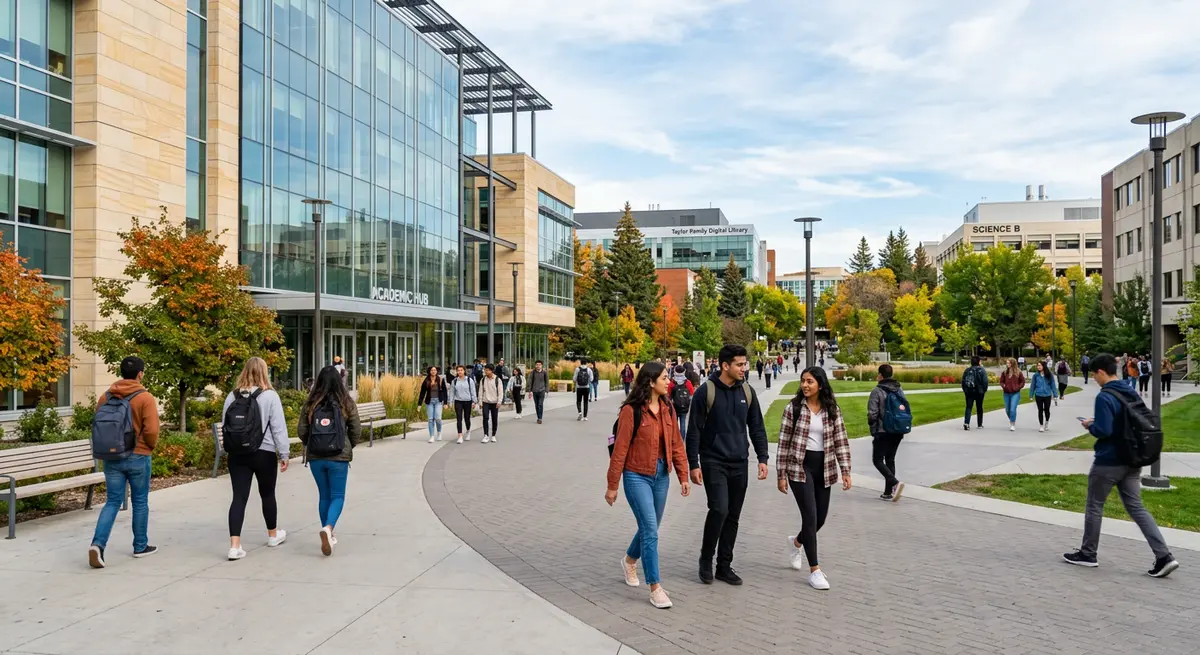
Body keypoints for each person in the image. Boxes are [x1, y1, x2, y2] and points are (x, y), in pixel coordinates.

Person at [1064, 354, 1179, 578]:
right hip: (1132, 459)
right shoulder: (1129, 391)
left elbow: (1105, 430)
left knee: (1095, 505)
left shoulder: (1105, 396)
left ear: (1100, 372)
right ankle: (1164, 555)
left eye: (1095, 375)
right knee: (1137, 508)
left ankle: (1088, 553)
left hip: (1109, 460)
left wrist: (1090, 425)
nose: (1095, 380)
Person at [606, 362, 692, 609]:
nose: (669, 382)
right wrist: (613, 484)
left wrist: (683, 475)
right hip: (636, 476)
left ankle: (630, 560)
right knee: (651, 530)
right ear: (651, 382)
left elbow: (676, 443)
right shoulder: (631, 411)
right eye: (665, 378)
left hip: (661, 476)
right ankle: (655, 587)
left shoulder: (668, 408)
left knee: (649, 527)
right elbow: (620, 450)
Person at [686, 344, 769, 586]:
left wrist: (762, 458)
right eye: (740, 364)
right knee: (719, 509)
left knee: (733, 515)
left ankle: (724, 565)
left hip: (740, 462)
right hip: (713, 460)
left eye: (745, 364)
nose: (745, 368)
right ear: (725, 366)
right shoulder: (706, 392)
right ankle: (706, 558)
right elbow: (693, 432)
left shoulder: (748, 391)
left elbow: (757, 427)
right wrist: (694, 464)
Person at [777, 366, 852, 590]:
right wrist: (781, 474)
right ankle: (815, 570)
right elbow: (783, 443)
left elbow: (841, 440)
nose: (805, 385)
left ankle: (797, 542)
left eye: (809, 381)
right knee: (810, 517)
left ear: (820, 384)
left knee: (820, 519)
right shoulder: (793, 408)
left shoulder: (832, 410)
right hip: (800, 468)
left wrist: (845, 470)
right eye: (803, 381)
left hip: (825, 467)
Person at [88, 356, 161, 569]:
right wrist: (149, 447)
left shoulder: (106, 396)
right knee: (140, 501)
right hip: (138, 455)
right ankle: (140, 546)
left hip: (112, 457)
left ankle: (97, 545)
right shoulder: (144, 397)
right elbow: (152, 430)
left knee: (112, 501)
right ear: (140, 374)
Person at [222, 357, 291, 561]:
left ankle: (235, 546)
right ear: (264, 372)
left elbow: (226, 426)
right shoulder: (270, 396)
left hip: (237, 454)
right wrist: (284, 453)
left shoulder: (231, 396)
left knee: (239, 497)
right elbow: (278, 427)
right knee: (267, 494)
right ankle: (272, 534)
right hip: (264, 452)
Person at [298, 366, 361, 557]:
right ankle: (328, 528)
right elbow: (356, 430)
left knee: (324, 496)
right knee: (338, 496)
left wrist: (311, 443)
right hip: (338, 456)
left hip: (316, 457)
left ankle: (329, 533)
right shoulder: (346, 402)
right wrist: (349, 445)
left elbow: (301, 431)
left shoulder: (311, 403)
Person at [866, 364, 905, 501]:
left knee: (877, 460)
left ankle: (894, 483)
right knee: (890, 459)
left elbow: (872, 413)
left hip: (882, 430)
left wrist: (873, 427)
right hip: (897, 429)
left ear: (881, 375)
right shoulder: (899, 389)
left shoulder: (877, 391)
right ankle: (889, 492)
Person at [418, 365, 449, 443]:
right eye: (432, 370)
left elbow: (445, 392)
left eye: (435, 370)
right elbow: (422, 393)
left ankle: (439, 432)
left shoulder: (441, 379)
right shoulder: (426, 380)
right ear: (429, 371)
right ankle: (431, 436)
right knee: (430, 419)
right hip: (429, 402)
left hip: (438, 401)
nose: (433, 371)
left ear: (437, 371)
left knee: (438, 418)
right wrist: (419, 404)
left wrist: (445, 403)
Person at [449, 365, 478, 444]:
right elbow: (452, 392)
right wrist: (450, 402)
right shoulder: (454, 381)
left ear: (464, 371)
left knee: (467, 418)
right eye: (458, 370)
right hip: (458, 401)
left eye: (461, 370)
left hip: (467, 401)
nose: (460, 372)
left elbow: (473, 391)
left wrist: (474, 401)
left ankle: (468, 431)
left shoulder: (469, 380)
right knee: (459, 418)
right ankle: (460, 436)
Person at [961, 356, 989, 431]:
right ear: (979, 362)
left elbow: (963, 381)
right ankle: (979, 424)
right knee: (979, 407)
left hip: (969, 391)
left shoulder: (967, 370)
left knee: (968, 407)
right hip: (979, 391)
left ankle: (966, 422)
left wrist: (965, 390)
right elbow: (985, 381)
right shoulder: (981, 370)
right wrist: (984, 390)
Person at [479, 364, 503, 444]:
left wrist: (499, 401)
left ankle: (493, 435)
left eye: (488, 370)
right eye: (485, 370)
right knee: (485, 418)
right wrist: (480, 402)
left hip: (494, 402)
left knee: (494, 418)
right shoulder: (483, 380)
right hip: (485, 401)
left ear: (492, 370)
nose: (486, 371)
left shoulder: (497, 380)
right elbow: (480, 391)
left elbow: (500, 391)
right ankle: (486, 435)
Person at [669, 364, 694, 440]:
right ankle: (682, 439)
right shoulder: (687, 382)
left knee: (675, 423)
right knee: (683, 423)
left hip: (675, 406)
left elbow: (668, 394)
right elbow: (692, 393)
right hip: (684, 406)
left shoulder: (672, 382)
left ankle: (674, 438)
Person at [1029, 360, 1056, 433]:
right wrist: (1031, 395)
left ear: (1043, 366)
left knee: (1047, 409)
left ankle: (1046, 422)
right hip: (1038, 395)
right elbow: (1033, 386)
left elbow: (1053, 385)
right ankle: (1041, 425)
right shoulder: (1035, 375)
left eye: (1040, 365)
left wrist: (1055, 395)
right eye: (1037, 365)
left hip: (1047, 394)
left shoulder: (1049, 375)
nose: (1038, 367)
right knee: (1040, 410)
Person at [999, 358, 1025, 431]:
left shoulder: (1018, 372)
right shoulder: (1004, 372)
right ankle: (1012, 419)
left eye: (1009, 363)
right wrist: (1004, 386)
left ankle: (1012, 423)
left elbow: (1022, 382)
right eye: (1007, 363)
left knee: (1012, 409)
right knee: (1007, 410)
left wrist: (1018, 387)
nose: (1008, 365)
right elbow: (1001, 381)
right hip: (1006, 393)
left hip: (1015, 393)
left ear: (1013, 364)